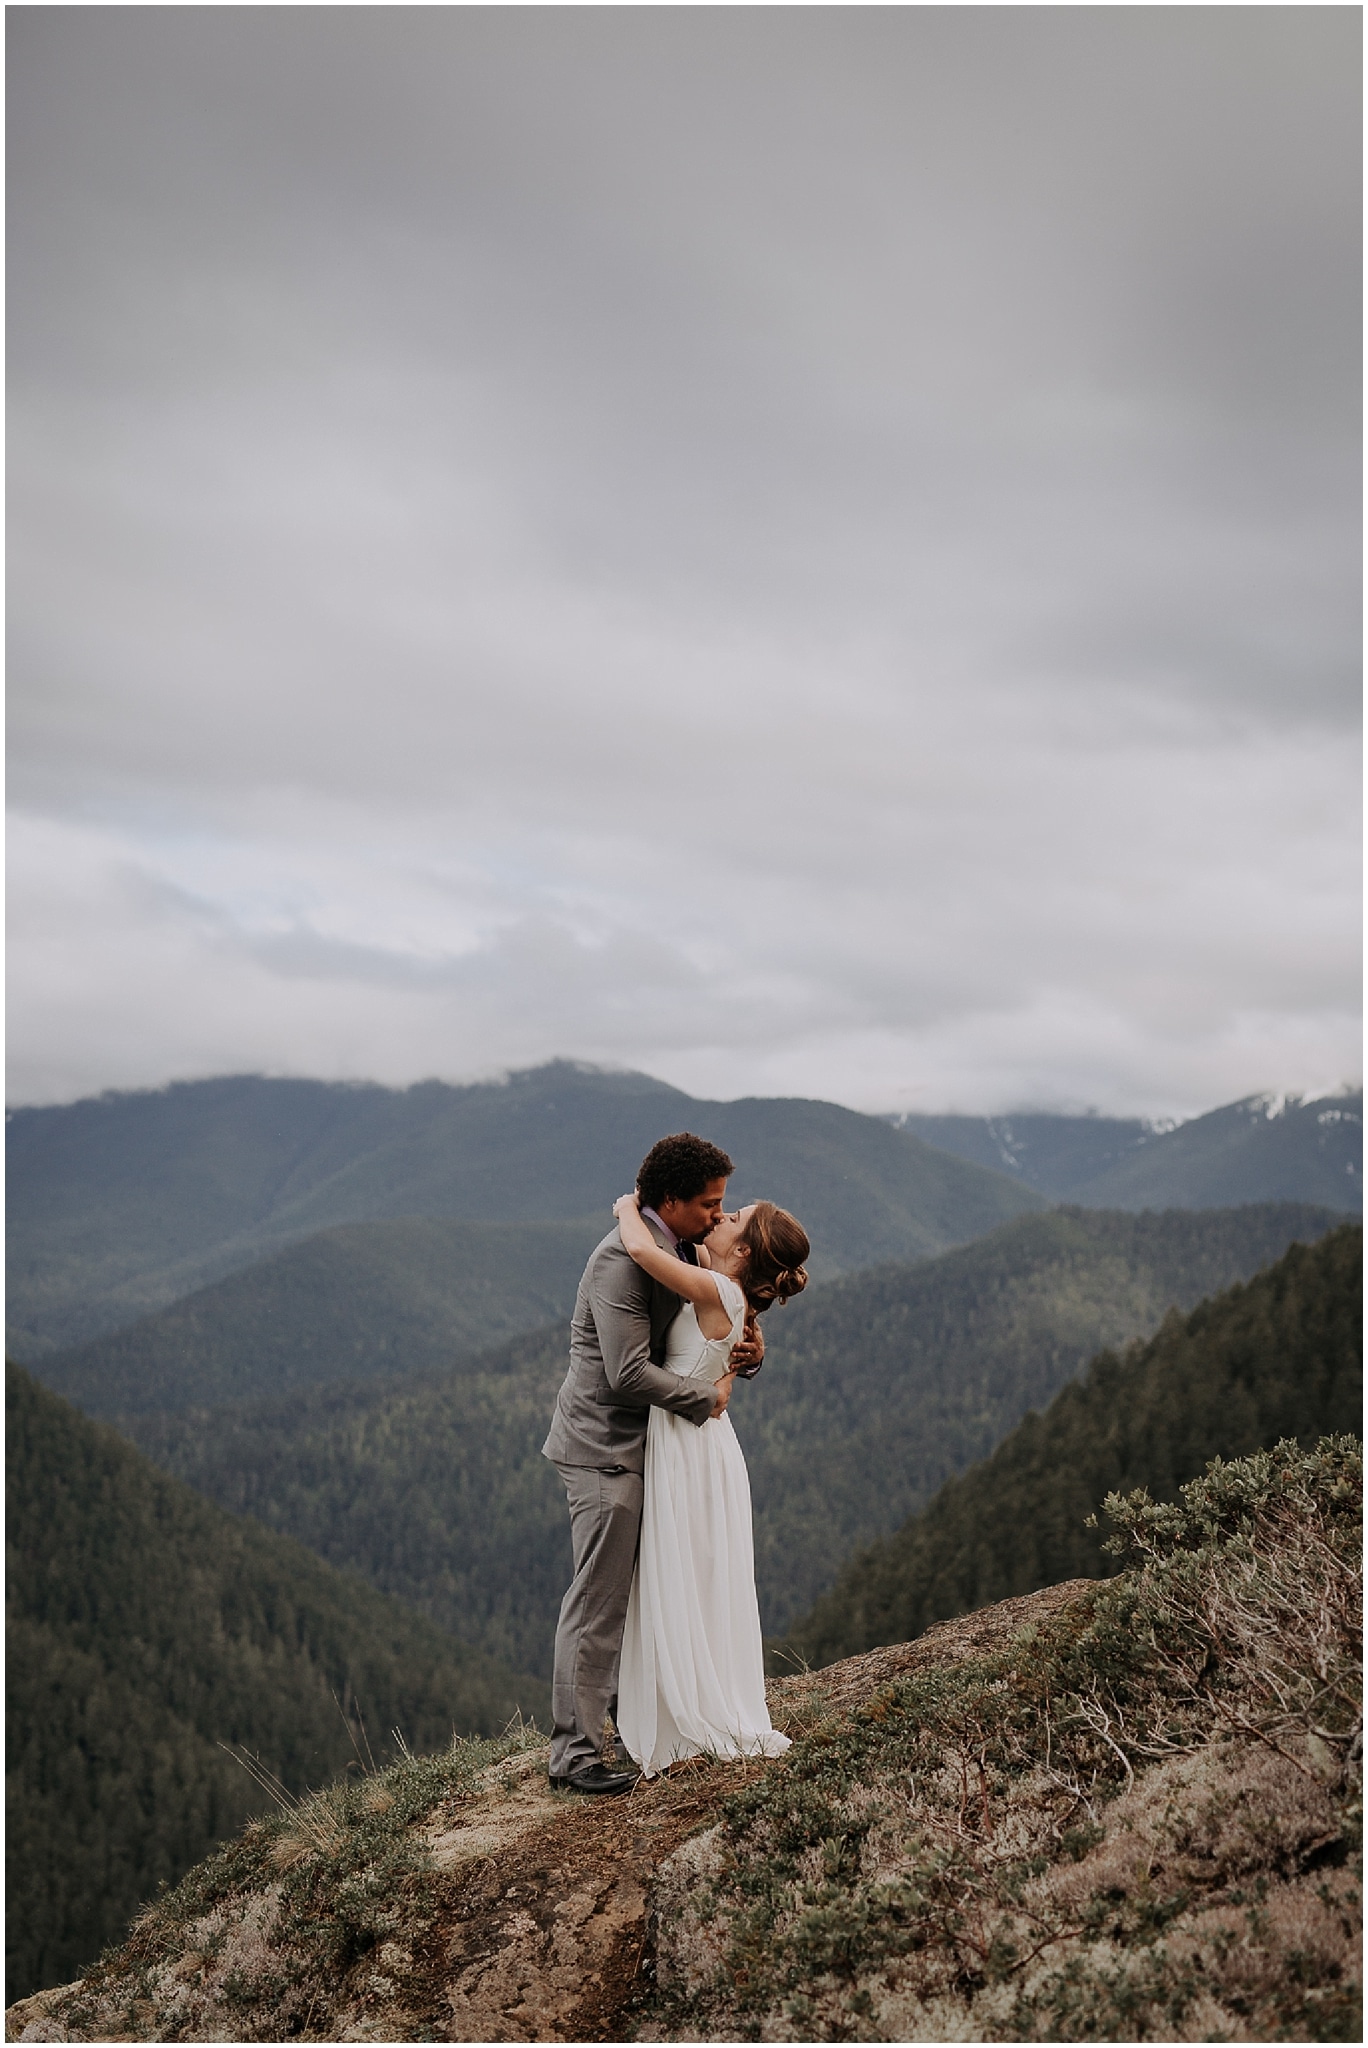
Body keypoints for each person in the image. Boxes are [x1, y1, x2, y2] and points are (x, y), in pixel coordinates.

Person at [542, 1132, 764, 1794]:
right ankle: (574, 1756)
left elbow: (720, 1312)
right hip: (605, 1450)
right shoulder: (620, 1262)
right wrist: (710, 1397)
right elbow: (628, 1371)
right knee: (600, 1602)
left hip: (652, 1452)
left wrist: (746, 1355)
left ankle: (630, 1723)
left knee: (644, 1596)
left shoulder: (677, 1247)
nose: (715, 1218)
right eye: (708, 1204)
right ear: (670, 1201)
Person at [613, 1190, 809, 1777]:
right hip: (702, 1442)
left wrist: (626, 1209)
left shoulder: (720, 1288)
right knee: (696, 1572)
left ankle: (682, 1708)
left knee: (680, 1569)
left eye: (733, 1217)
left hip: (686, 1442)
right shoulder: (729, 1288)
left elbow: (646, 1256)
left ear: (742, 1248)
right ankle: (686, 1698)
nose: (721, 1217)